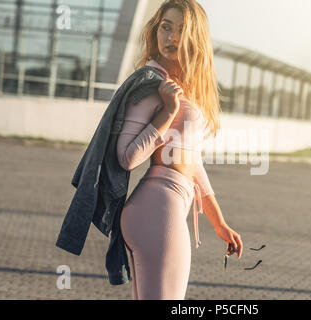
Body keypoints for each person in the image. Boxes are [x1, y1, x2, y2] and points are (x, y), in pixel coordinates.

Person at [117, 0, 243, 300]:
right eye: (166, 27)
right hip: (157, 212)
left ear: (195, 37)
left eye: (181, 30)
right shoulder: (150, 84)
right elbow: (127, 157)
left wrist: (218, 222)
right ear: (155, 30)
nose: (171, 36)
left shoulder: (177, 84)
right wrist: (167, 112)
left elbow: (192, 161)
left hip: (163, 210)